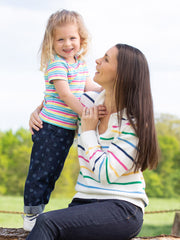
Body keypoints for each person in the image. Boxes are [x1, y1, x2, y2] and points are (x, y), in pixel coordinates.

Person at [26, 43, 159, 240]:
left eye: (106, 59)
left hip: (123, 208)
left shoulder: (134, 124)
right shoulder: (87, 103)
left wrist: (88, 131)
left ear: (122, 74)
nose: (97, 60)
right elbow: (57, 101)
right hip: (83, 202)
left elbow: (106, 173)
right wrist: (37, 113)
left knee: (47, 222)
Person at [23, 9, 103, 231]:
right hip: (50, 128)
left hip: (66, 131)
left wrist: (108, 89)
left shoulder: (79, 64)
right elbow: (66, 94)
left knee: (53, 172)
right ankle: (31, 213)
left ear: (81, 39)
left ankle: (39, 210)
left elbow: (89, 86)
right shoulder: (57, 64)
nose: (67, 44)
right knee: (41, 170)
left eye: (72, 38)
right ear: (52, 41)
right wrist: (86, 114)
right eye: (60, 39)